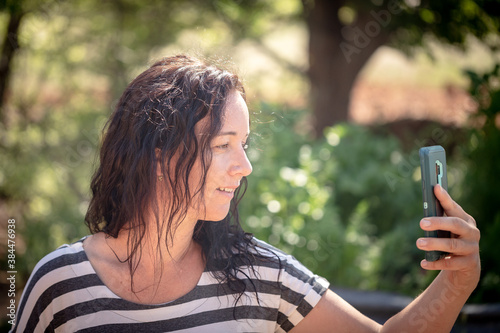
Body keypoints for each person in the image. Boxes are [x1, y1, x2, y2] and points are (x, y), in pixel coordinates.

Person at [11, 55, 480, 332]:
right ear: (158, 154)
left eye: (245, 144)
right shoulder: (60, 286)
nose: (245, 166)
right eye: (222, 145)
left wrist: (457, 282)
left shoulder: (257, 274)